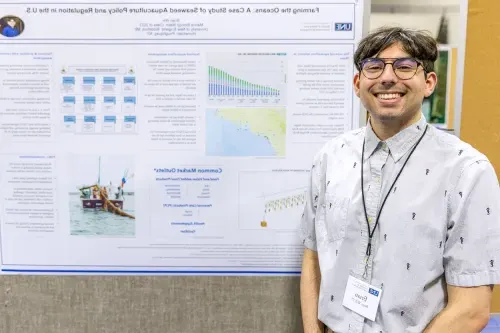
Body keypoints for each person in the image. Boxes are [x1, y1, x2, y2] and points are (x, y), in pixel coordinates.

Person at [299, 26, 500, 333]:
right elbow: (313, 257)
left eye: (405, 67)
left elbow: (472, 309)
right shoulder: (330, 158)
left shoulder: (467, 171)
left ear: (429, 82)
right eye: (374, 66)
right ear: (357, 83)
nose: (388, 77)